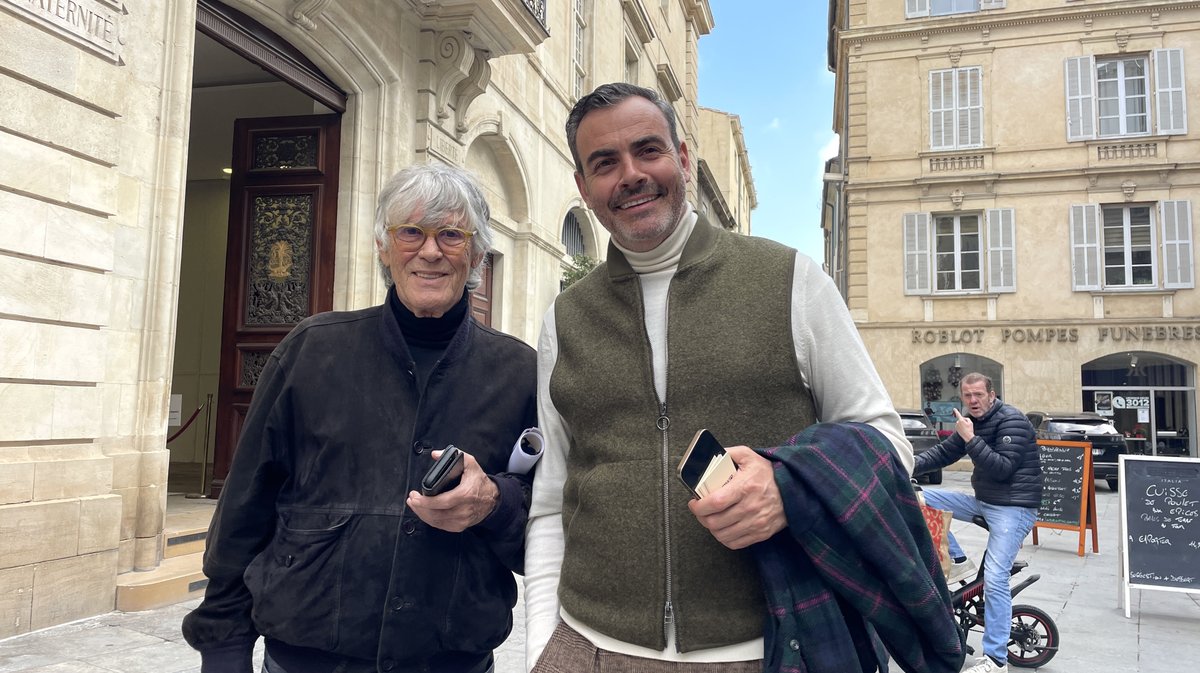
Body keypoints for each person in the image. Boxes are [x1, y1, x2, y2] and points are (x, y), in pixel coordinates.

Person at [524, 82, 917, 672]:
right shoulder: (564, 318)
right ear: (584, 187)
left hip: (772, 650)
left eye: (648, 150)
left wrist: (793, 490)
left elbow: (889, 446)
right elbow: (552, 498)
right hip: (590, 650)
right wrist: (541, 648)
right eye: (605, 163)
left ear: (683, 159)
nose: (630, 175)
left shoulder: (789, 280)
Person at [182, 163, 538, 673]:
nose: (430, 251)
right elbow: (246, 505)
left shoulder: (519, 372)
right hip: (306, 657)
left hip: (450, 660)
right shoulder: (311, 350)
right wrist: (223, 645)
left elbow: (547, 531)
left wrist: (494, 503)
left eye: (451, 235)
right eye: (411, 232)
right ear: (383, 247)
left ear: (477, 253)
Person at [913, 372, 1042, 673]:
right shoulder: (972, 422)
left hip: (1014, 509)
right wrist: (905, 464)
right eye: (968, 395)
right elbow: (942, 453)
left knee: (996, 579)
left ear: (992, 394)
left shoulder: (1012, 421)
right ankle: (957, 560)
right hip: (985, 503)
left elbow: (1002, 468)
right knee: (917, 497)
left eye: (978, 395)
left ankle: (996, 661)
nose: (973, 400)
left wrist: (970, 437)